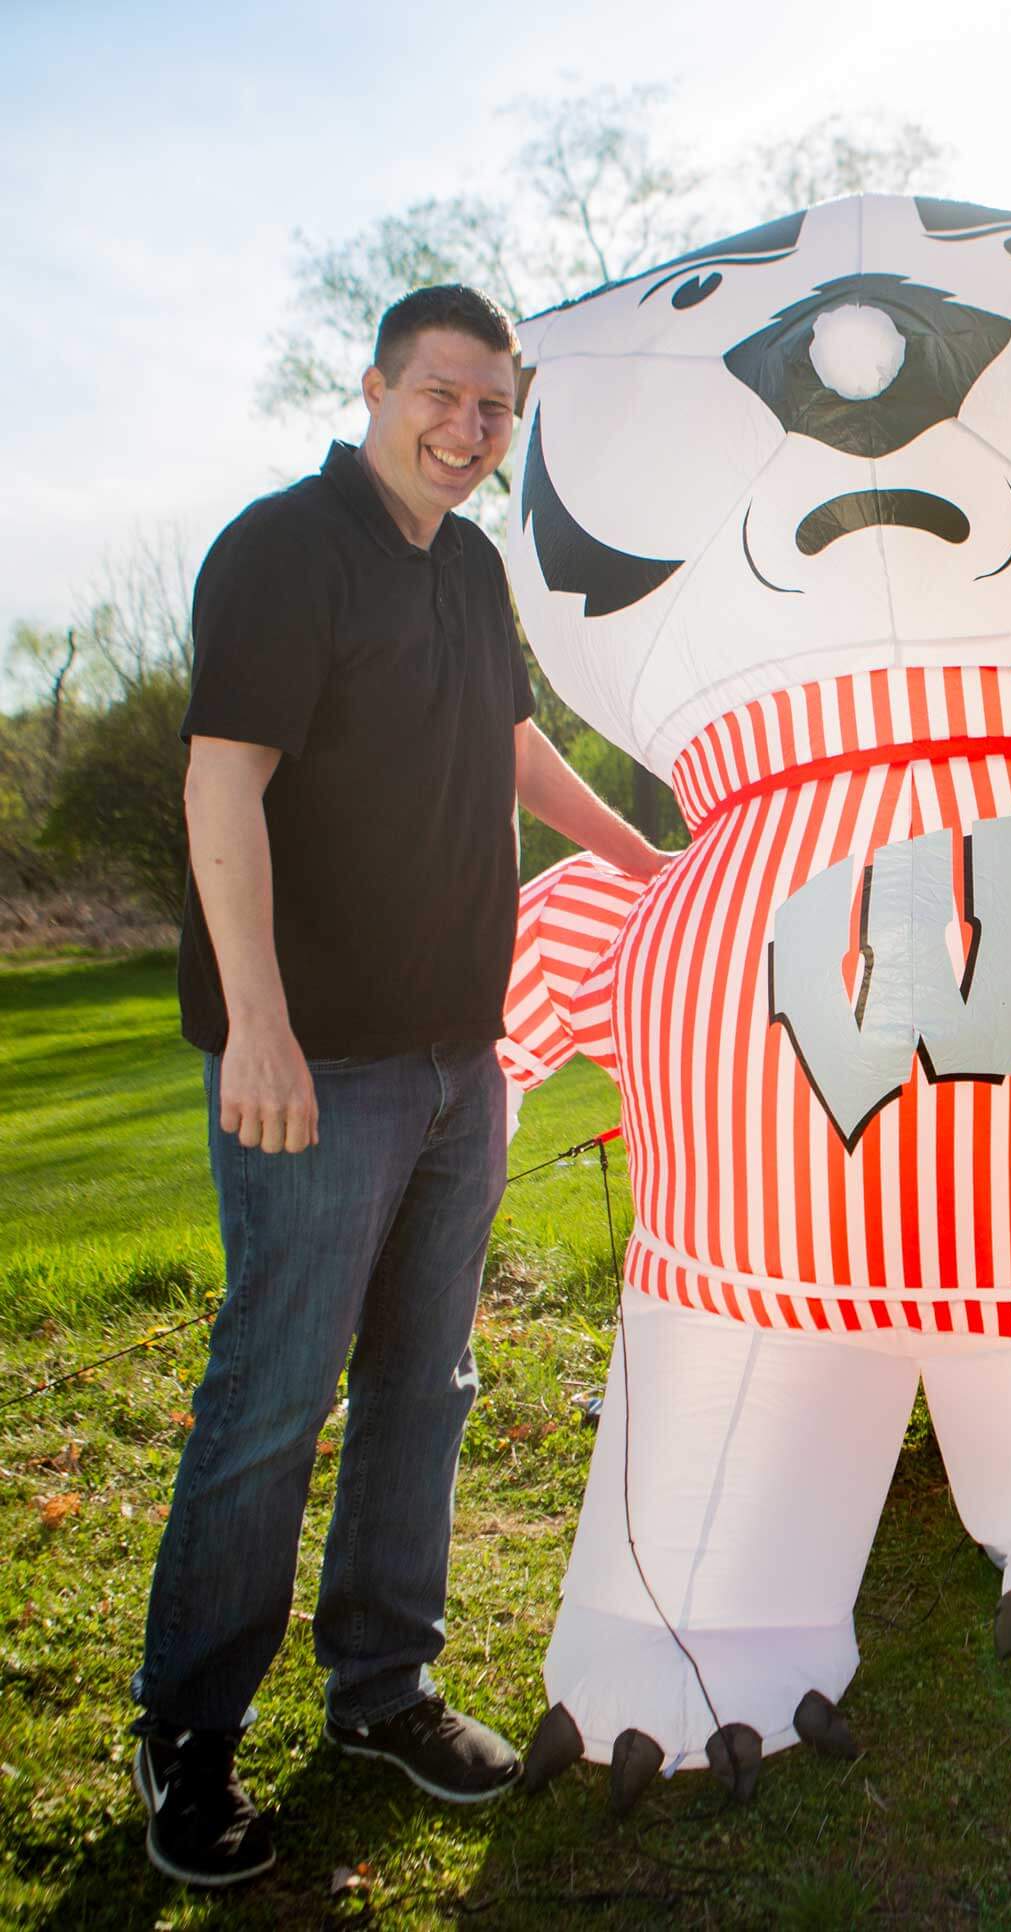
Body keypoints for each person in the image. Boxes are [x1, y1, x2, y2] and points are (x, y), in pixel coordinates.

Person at [131, 284, 668, 1888]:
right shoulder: (285, 550)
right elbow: (221, 779)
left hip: (460, 1053)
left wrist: (658, 867)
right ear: (376, 386)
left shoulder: (474, 567)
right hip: (318, 1066)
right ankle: (188, 1733)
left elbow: (516, 749)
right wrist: (260, 1024)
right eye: (445, 393)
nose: (469, 428)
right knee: (274, 1396)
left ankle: (382, 1690)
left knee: (423, 1388)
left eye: (496, 408)